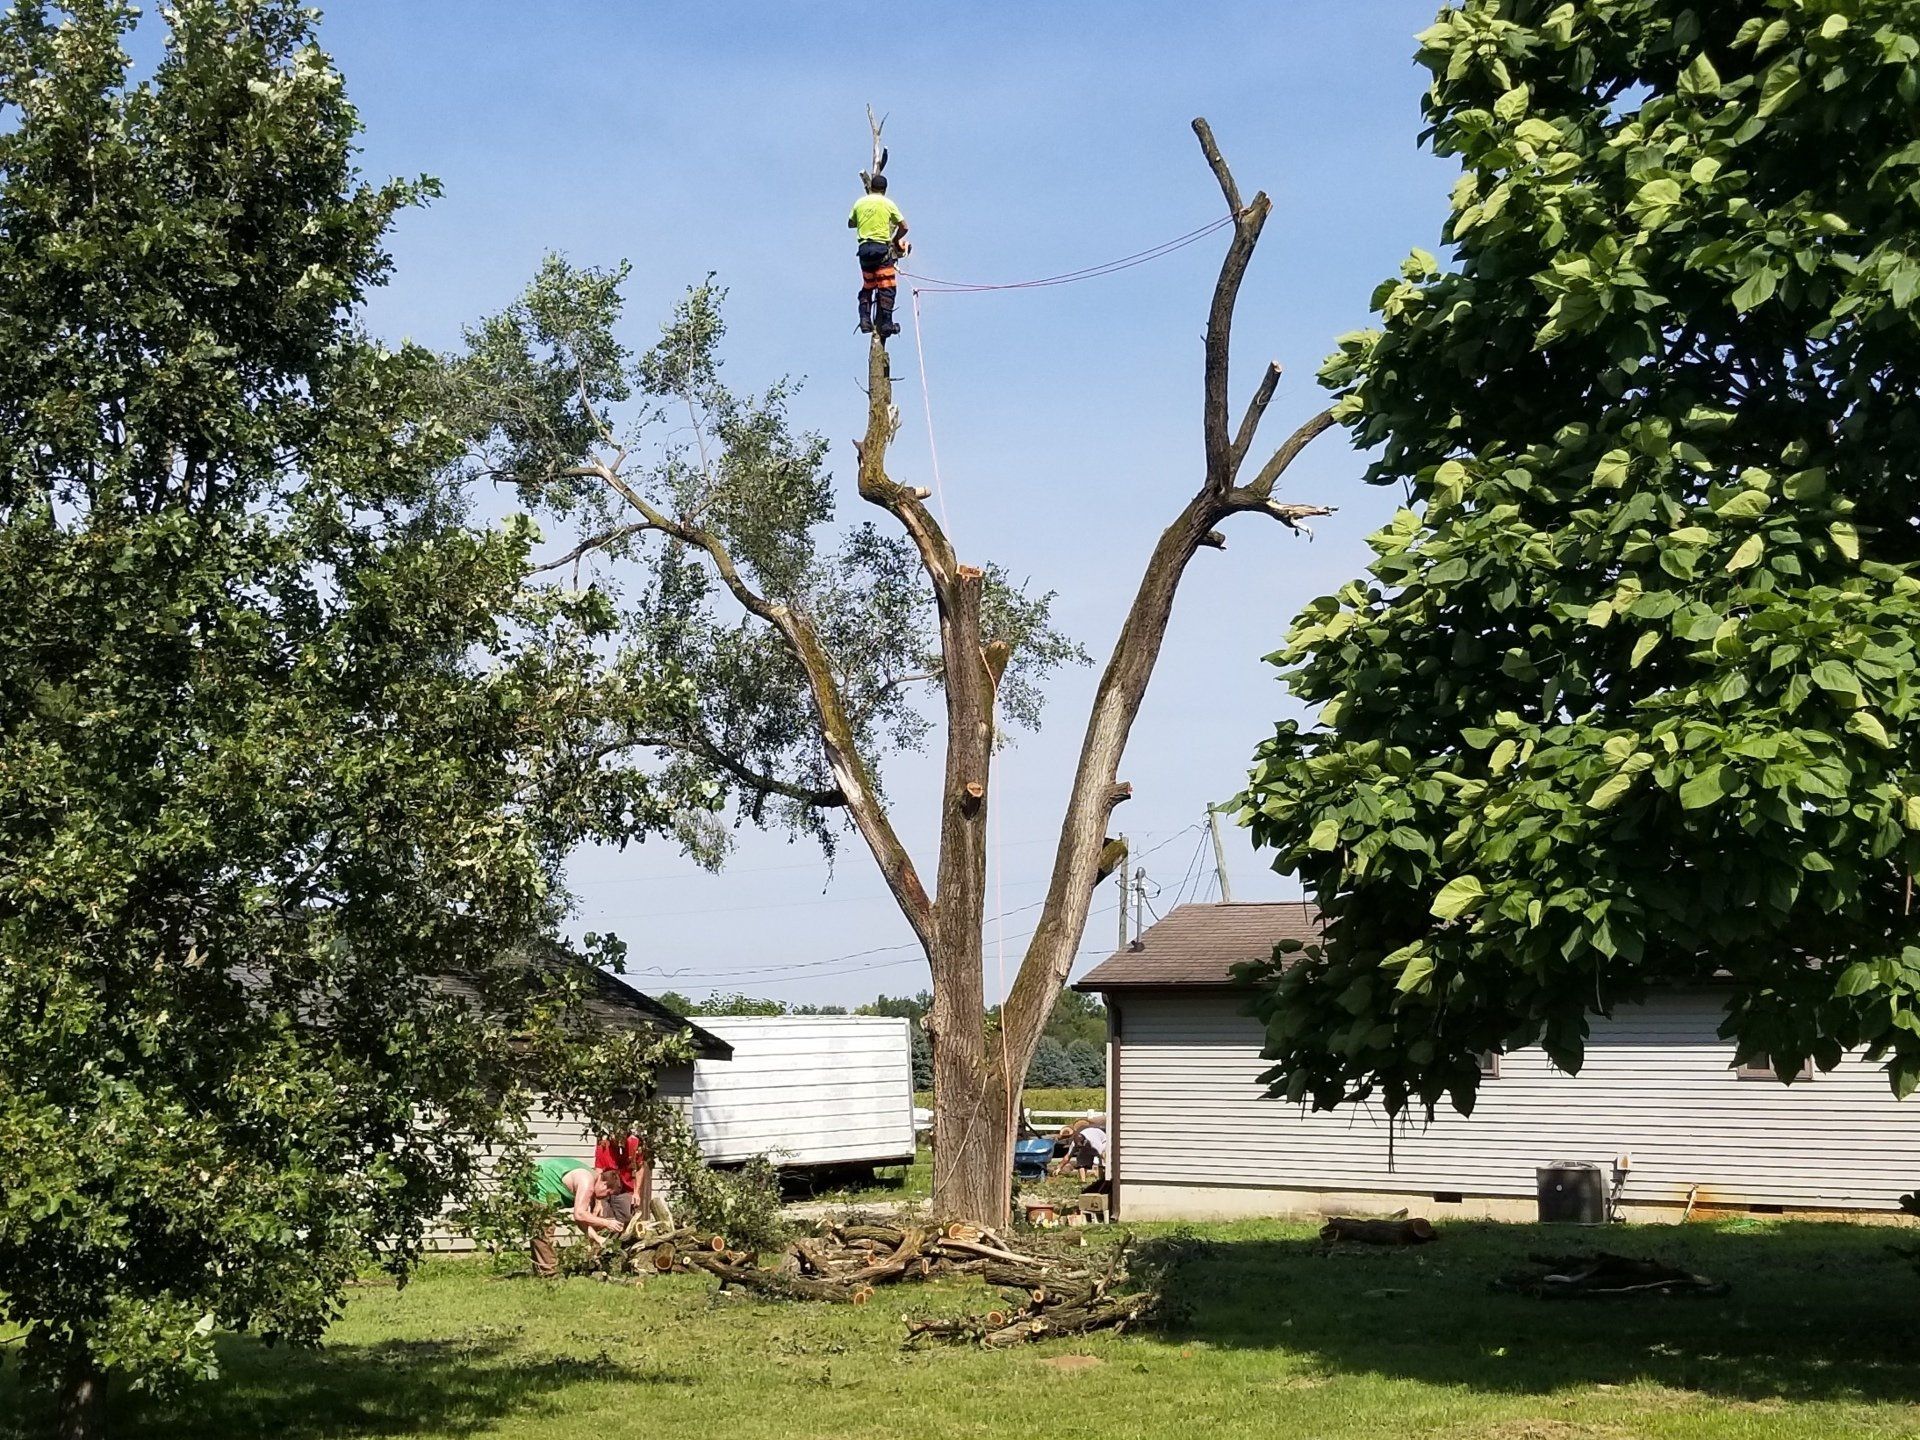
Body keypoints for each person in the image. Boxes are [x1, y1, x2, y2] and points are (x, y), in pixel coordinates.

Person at [527, 1157, 624, 1278]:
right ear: (604, 1185)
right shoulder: (587, 1183)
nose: (605, 1198)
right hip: (539, 1185)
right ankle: (550, 1276)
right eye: (608, 1194)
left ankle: (541, 1272)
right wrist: (607, 1223)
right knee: (543, 1231)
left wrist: (597, 1238)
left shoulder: (592, 1179)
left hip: (539, 1182)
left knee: (539, 1233)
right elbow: (579, 1214)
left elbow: (581, 1219)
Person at [848, 173, 908, 339]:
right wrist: (895, 239)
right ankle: (887, 324)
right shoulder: (888, 204)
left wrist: (865, 218)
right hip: (881, 249)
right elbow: (904, 226)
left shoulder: (860, 202)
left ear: (871, 188)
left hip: (864, 251)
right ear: (885, 189)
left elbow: (850, 223)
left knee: (868, 286)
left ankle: (865, 321)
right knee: (887, 287)